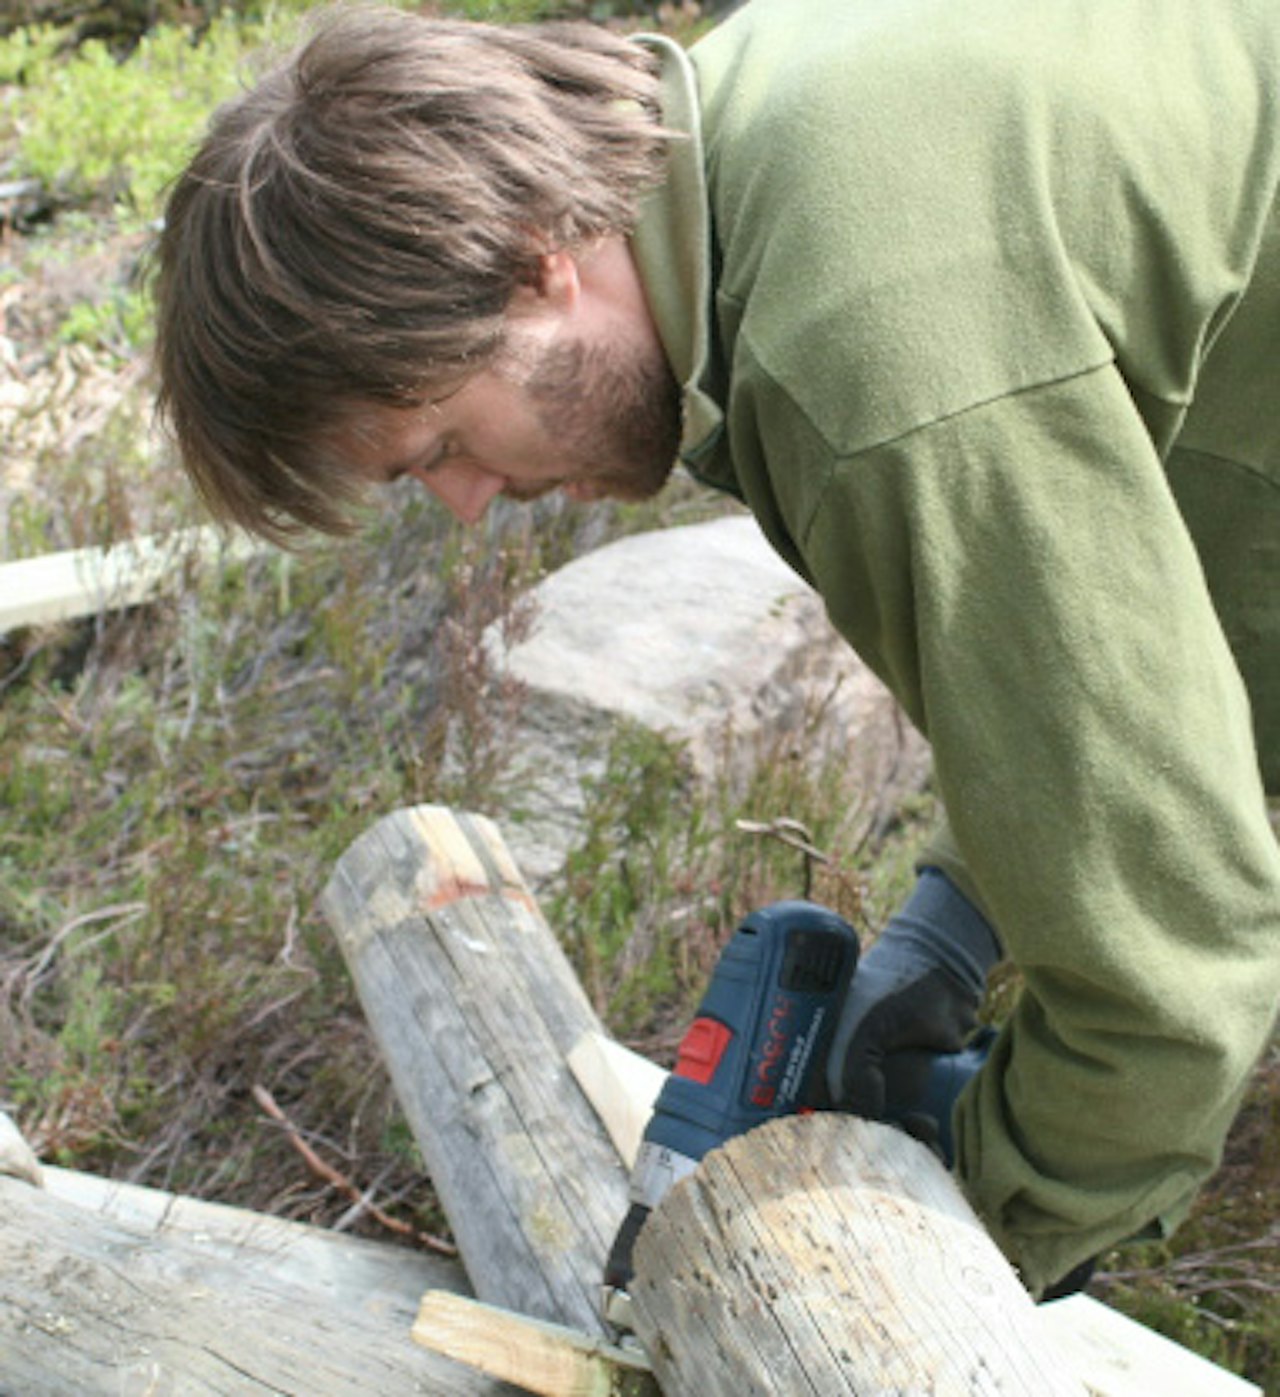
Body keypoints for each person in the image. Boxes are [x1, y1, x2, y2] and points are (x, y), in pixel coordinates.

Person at [153, 0, 1280, 1300]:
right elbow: (1164, 562)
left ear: (533, 261)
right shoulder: (754, 124)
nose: (468, 503)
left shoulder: (866, 351)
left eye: (441, 448)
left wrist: (929, 1256)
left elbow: (1171, 991)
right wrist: (963, 916)